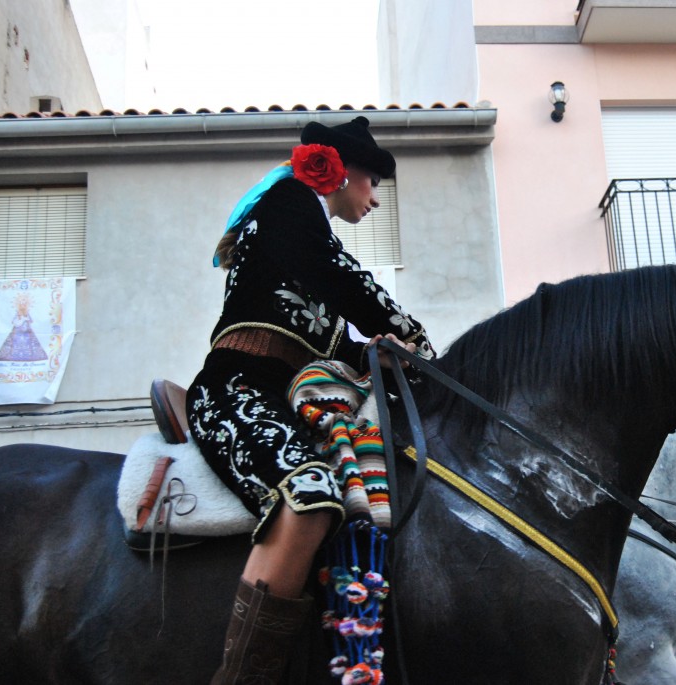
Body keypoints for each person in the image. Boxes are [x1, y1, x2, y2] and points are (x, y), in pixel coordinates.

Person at [186, 117, 434, 684]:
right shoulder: (289, 203)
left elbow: (331, 338)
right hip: (235, 389)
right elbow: (343, 276)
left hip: (281, 398)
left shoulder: (301, 242)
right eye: (373, 182)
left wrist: (375, 350)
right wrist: (416, 341)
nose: (375, 199)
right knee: (312, 495)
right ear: (341, 173)